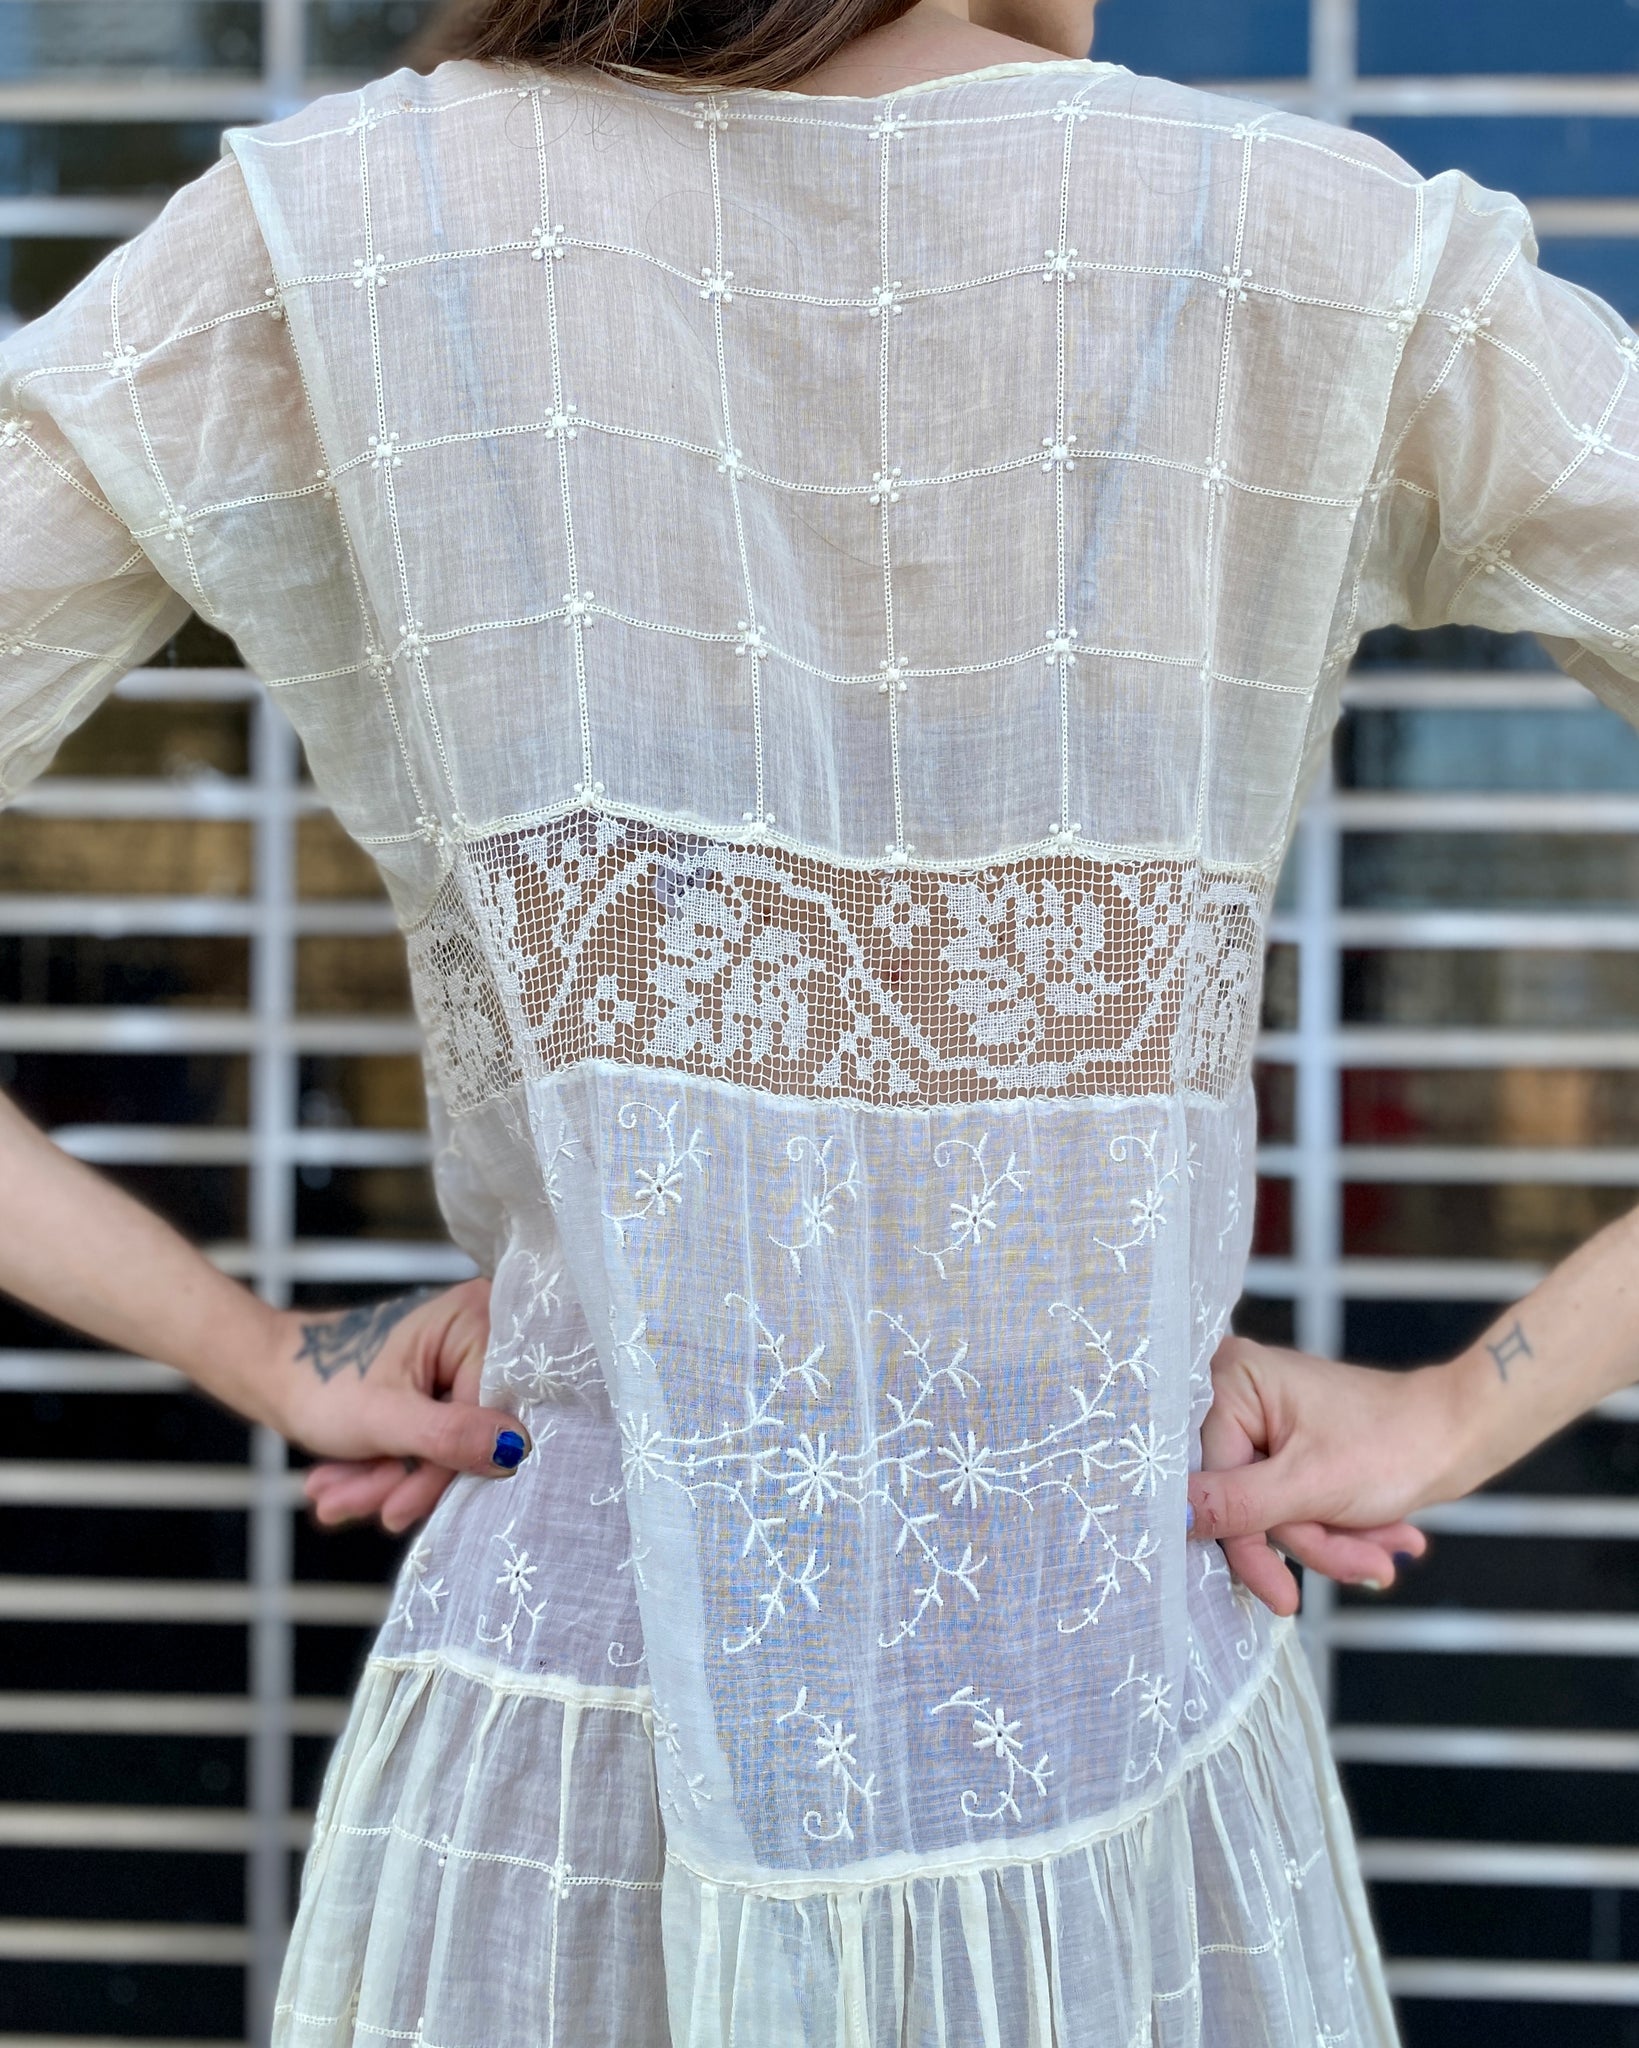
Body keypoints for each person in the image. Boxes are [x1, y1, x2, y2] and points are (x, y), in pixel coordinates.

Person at [1, 0, 1636, 2035]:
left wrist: (259, 1349)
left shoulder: (352, 229)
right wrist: (1465, 1406)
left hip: (563, 1776)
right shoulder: (1316, 251)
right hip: (1107, 1784)